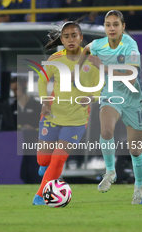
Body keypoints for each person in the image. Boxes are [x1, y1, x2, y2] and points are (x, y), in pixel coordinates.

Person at [76, 10, 142, 204]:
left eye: (116, 24)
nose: (112, 28)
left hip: (133, 98)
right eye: (108, 24)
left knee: (135, 149)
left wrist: (103, 67)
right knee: (106, 131)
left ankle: (139, 188)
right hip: (111, 95)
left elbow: (131, 78)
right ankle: (110, 172)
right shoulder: (99, 44)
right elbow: (86, 49)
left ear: (123, 27)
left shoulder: (130, 45)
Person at [33, 21, 101, 205]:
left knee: (58, 158)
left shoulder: (92, 60)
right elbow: (41, 80)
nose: (70, 39)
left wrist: (92, 98)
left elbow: (100, 86)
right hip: (52, 115)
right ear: (61, 39)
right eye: (66, 36)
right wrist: (45, 100)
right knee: (43, 159)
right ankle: (44, 166)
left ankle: (40, 195)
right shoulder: (55, 59)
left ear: (81, 38)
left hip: (77, 119)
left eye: (74, 35)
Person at [10, 76, 42, 184]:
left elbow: (46, 125)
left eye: (16, 89)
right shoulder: (11, 108)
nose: (14, 92)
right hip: (16, 144)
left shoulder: (38, 106)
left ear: (24, 87)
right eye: (12, 90)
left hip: (35, 142)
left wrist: (33, 129)